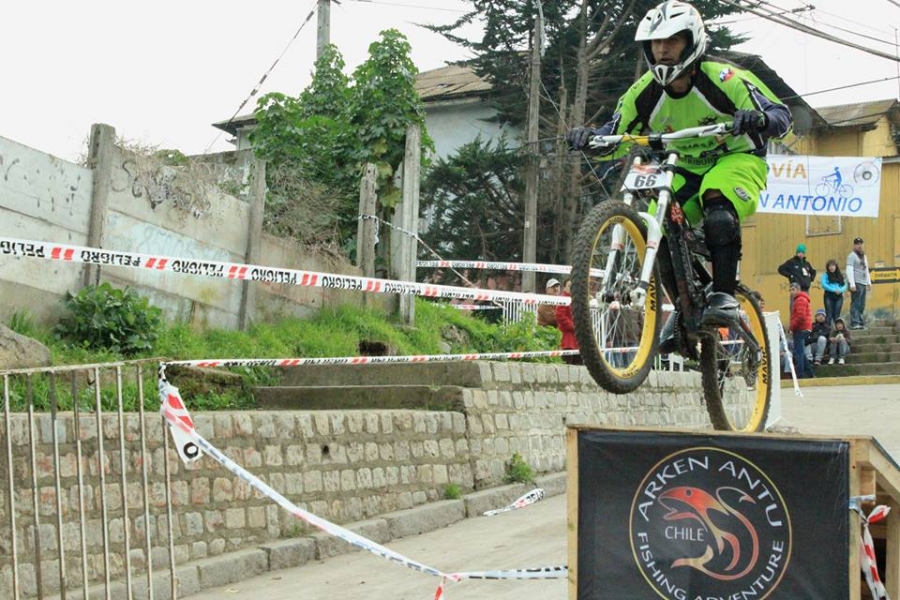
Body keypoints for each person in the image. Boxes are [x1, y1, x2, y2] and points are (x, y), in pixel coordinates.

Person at [565, 0, 792, 331]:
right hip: (681, 166)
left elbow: (780, 116)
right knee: (660, 226)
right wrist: (588, 138)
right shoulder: (642, 93)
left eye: (672, 40)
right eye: (656, 42)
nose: (662, 50)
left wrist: (758, 118)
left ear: (691, 41)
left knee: (717, 200)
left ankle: (724, 297)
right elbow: (613, 137)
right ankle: (687, 309)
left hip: (735, 158)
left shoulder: (725, 78)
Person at [788, 282, 815, 378]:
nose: (791, 292)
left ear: (798, 290)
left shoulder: (800, 300)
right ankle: (811, 374)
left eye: (793, 290)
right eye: (790, 290)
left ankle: (800, 375)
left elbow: (800, 316)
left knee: (798, 353)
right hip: (804, 328)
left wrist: (791, 327)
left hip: (801, 328)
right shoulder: (801, 299)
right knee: (801, 352)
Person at [555, 279, 582, 365]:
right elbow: (560, 315)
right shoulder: (563, 299)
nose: (572, 288)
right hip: (567, 338)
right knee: (568, 362)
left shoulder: (575, 299)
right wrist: (573, 326)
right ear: (564, 288)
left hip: (576, 338)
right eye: (569, 286)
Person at [846, 237, 872, 330]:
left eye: (861, 243)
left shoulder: (864, 256)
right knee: (855, 303)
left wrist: (868, 282)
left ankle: (860, 321)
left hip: (863, 282)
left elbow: (866, 269)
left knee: (862, 304)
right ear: (854, 245)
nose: (859, 245)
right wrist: (852, 284)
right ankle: (854, 322)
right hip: (856, 282)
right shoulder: (851, 256)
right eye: (857, 244)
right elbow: (849, 270)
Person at [820, 258, 847, 328]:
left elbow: (845, 285)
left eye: (833, 266)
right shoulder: (826, 275)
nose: (831, 267)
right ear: (828, 267)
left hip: (839, 297)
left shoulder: (840, 275)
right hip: (828, 296)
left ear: (836, 266)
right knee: (829, 315)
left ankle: (838, 331)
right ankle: (827, 331)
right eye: (830, 266)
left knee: (836, 315)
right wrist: (834, 290)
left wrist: (840, 290)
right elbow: (824, 284)